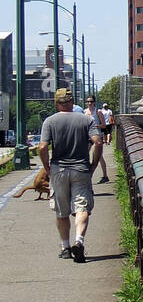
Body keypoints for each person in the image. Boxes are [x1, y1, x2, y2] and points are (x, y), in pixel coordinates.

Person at [38, 88, 101, 263]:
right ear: (72, 103)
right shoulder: (87, 120)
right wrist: (94, 164)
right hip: (81, 169)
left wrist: (47, 166)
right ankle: (78, 240)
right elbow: (98, 141)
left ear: (57, 104)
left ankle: (65, 248)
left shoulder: (49, 121)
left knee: (61, 211)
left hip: (59, 170)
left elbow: (42, 147)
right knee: (82, 208)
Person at [85, 94, 112, 183]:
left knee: (98, 156)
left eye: (91, 101)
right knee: (84, 154)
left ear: (94, 102)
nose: (89, 103)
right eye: (88, 101)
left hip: (97, 135)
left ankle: (105, 175)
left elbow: (104, 125)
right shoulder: (84, 112)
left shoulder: (98, 112)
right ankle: (86, 176)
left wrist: (95, 126)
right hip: (88, 136)